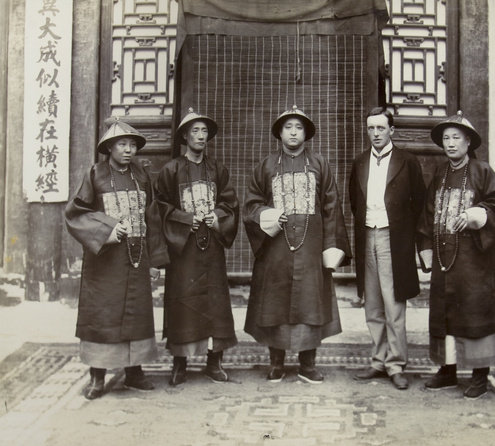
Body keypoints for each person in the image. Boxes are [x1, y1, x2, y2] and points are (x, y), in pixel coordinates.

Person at [243, 105, 351, 384]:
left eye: (298, 127)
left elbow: (331, 207)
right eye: (288, 127)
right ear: (279, 132)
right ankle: (276, 362)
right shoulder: (266, 166)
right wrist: (266, 215)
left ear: (306, 133)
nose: (293, 132)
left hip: (311, 249)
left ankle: (307, 364)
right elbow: (252, 204)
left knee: (310, 303)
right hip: (275, 250)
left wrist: (330, 246)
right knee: (275, 302)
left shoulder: (319, 165)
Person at [65, 120, 169, 400]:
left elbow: (153, 218)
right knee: (103, 315)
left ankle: (135, 371)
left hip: (136, 258)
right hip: (105, 261)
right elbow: (76, 213)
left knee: (136, 314)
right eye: (122, 144)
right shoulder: (95, 174)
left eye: (132, 144)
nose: (128, 149)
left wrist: (156, 261)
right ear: (109, 147)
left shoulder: (142, 176)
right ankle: (97, 376)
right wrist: (108, 228)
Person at [417, 111, 495, 399]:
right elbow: (428, 213)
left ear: (468, 141)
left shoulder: (482, 171)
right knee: (445, 314)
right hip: (446, 260)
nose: (450, 143)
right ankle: (447, 370)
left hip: (475, 261)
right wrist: (426, 248)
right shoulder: (439, 173)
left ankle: (479, 375)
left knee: (474, 312)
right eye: (446, 138)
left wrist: (477, 214)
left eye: (456, 138)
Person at [154, 109, 239, 385]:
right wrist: (185, 219)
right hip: (184, 249)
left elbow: (230, 203)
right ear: (185, 136)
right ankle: (180, 363)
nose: (201, 136)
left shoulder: (217, 169)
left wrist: (217, 217)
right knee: (183, 302)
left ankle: (214, 362)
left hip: (211, 246)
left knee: (214, 303)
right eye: (195, 131)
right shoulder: (171, 170)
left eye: (204, 131)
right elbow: (160, 207)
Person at [349, 107, 426, 390]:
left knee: (394, 304)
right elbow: (354, 204)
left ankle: (396, 363)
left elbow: (419, 202)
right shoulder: (359, 162)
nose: (376, 134)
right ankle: (377, 360)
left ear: (392, 130)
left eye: (381, 128)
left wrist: (409, 237)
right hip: (367, 235)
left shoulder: (408, 162)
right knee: (372, 303)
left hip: (394, 239)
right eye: (371, 128)